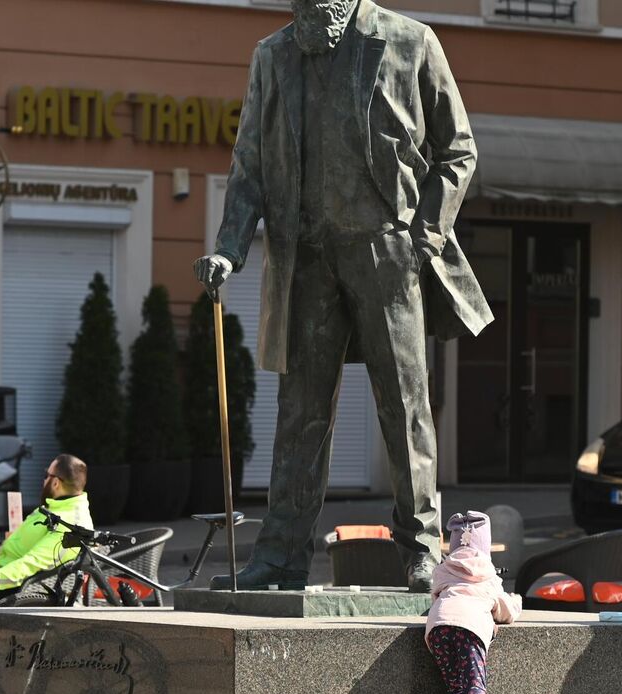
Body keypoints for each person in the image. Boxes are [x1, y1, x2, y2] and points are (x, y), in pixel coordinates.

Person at [194, 0, 491, 592]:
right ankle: (280, 555)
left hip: (386, 250)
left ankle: (423, 548)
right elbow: (249, 162)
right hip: (305, 256)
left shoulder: (410, 41)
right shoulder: (274, 55)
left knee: (405, 407)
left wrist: (420, 237)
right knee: (298, 413)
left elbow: (458, 150)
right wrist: (231, 247)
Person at [426, 510, 520, 694]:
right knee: (475, 690)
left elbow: (436, 597)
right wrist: (516, 604)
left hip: (439, 629)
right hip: (470, 629)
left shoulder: (443, 570)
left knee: (455, 687)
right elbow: (506, 612)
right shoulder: (487, 575)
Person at [0, 454, 92, 607]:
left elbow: (30, 564)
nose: (43, 480)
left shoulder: (70, 525)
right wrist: (3, 547)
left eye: (46, 475)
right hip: (0, 575)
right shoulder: (58, 505)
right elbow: (29, 542)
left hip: (7, 592)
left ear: (56, 483)